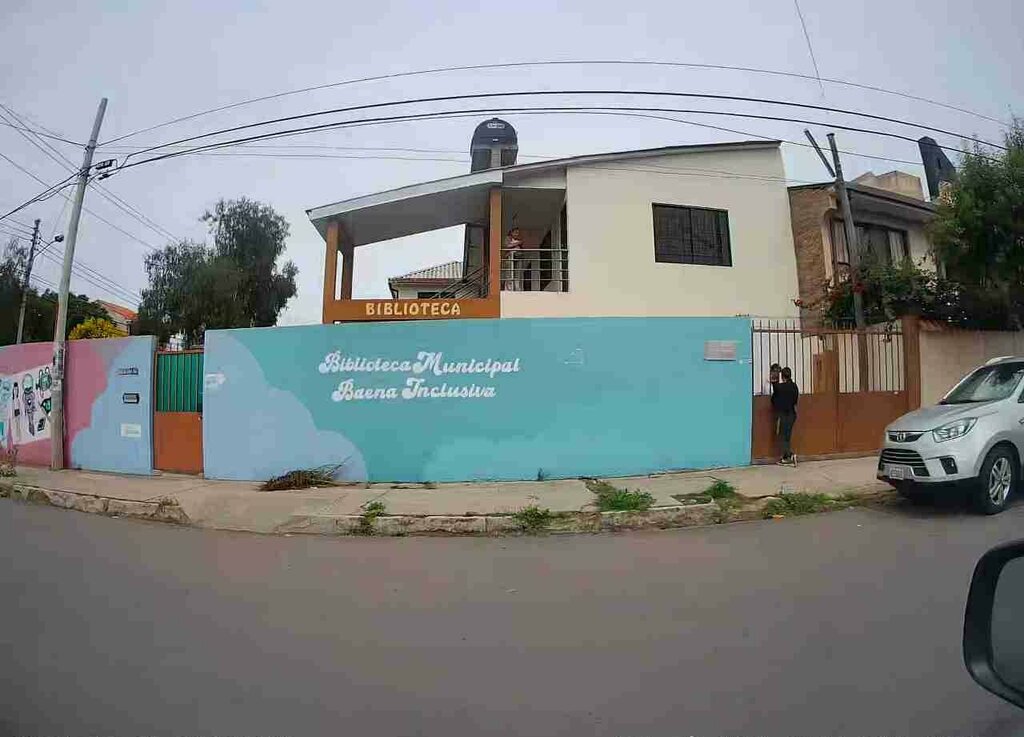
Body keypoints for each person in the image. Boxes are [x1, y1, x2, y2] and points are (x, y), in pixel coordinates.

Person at [772, 366, 799, 465]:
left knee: (782, 435)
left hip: (783, 414)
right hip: (792, 414)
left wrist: (774, 380)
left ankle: (790, 455)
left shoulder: (780, 387)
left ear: (782, 376)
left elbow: (774, 399)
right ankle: (786, 457)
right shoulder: (795, 386)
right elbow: (796, 400)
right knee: (787, 436)